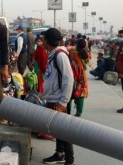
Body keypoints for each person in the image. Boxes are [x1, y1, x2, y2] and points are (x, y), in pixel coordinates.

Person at [42, 28, 74, 165]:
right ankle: (59, 153)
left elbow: (69, 78)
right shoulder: (52, 54)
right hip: (52, 98)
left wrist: (63, 102)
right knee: (57, 129)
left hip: (58, 100)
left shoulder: (60, 56)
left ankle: (69, 160)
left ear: (47, 41)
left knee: (64, 131)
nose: (42, 41)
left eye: (43, 39)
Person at [67, 38, 90, 117]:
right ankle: (78, 112)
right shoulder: (85, 53)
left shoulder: (72, 53)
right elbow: (88, 62)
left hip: (71, 74)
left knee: (68, 93)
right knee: (80, 93)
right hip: (82, 76)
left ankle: (67, 112)